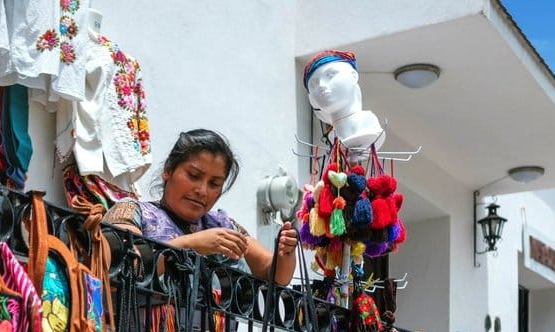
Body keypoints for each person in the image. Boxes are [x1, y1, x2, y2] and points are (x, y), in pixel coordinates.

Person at [104, 128, 299, 285]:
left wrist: (285, 253)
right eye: (194, 176)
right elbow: (126, 265)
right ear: (168, 170)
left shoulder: (224, 227)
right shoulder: (131, 212)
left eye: (214, 184)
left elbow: (272, 273)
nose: (202, 191)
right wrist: (192, 244)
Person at [303, 50, 385, 153]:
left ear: (353, 76)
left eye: (331, 75)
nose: (321, 86)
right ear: (312, 100)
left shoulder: (369, 125)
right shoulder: (333, 137)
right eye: (313, 84)